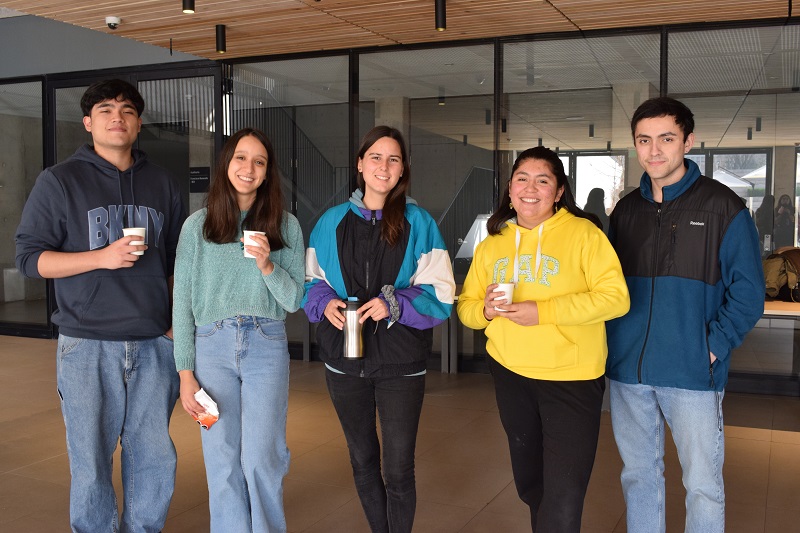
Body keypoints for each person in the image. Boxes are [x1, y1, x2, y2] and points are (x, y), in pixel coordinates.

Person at [14, 79, 186, 532]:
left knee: (154, 458)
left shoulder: (162, 183)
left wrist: (174, 324)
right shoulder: (59, 181)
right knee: (90, 462)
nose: (117, 117)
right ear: (89, 122)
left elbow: (175, 263)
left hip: (154, 345)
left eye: (127, 110)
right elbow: (30, 259)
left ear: (138, 123)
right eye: (106, 109)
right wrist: (100, 258)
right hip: (87, 344)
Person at [606, 96, 764, 532]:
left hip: (693, 372)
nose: (654, 150)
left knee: (702, 484)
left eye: (666, 138)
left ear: (688, 141)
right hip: (628, 372)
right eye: (644, 140)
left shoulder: (723, 207)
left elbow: (749, 295)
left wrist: (712, 347)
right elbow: (606, 287)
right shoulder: (626, 211)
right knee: (638, 476)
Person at [457, 146, 629, 532]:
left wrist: (543, 312)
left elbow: (616, 299)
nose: (530, 189)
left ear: (559, 190)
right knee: (531, 484)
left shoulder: (585, 235)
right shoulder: (492, 244)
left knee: (565, 491)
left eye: (542, 180)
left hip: (571, 377)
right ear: (509, 188)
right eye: (521, 179)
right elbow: (467, 309)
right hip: (511, 374)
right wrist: (485, 310)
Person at [302, 125, 455, 533]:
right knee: (362, 460)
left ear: (404, 168)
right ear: (359, 164)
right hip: (343, 363)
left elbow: (441, 294)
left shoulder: (419, 223)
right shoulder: (330, 223)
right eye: (375, 157)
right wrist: (323, 302)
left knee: (399, 470)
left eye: (393, 159)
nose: (383, 167)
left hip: (401, 366)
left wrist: (395, 304)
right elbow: (311, 281)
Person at [172, 128, 305, 532]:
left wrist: (267, 265)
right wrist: (185, 375)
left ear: (267, 173)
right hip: (210, 347)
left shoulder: (287, 226)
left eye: (259, 162)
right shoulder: (197, 227)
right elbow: (181, 302)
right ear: (226, 165)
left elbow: (293, 300)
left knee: (262, 455)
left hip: (266, 344)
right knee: (221, 456)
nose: (248, 168)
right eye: (240, 158)